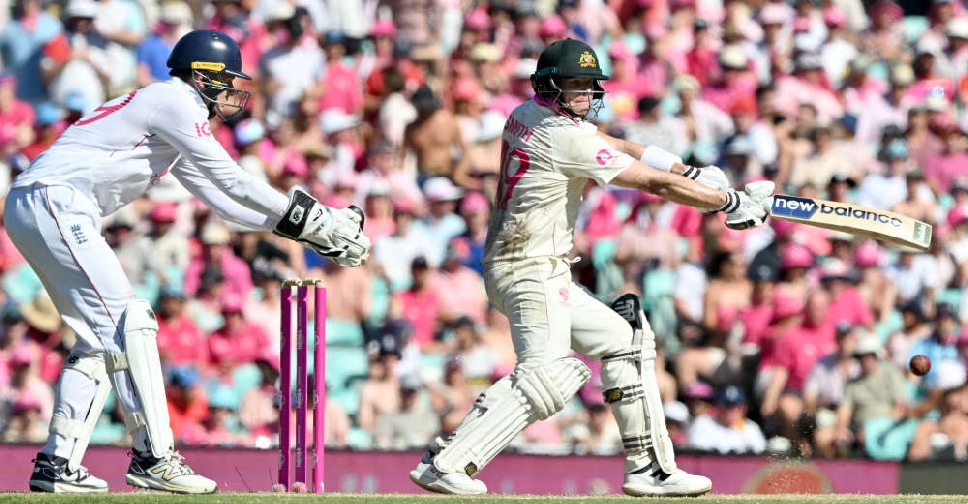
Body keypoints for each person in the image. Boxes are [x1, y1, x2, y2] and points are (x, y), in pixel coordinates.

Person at [5, 29, 370, 494]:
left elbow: (224, 204)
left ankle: (57, 464)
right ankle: (154, 458)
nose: (233, 91)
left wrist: (302, 230)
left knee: (99, 340)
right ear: (201, 76)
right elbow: (233, 179)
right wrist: (317, 218)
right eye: (228, 80)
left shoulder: (169, 116)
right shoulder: (175, 101)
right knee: (130, 322)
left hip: (42, 204)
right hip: (54, 201)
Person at [408, 38, 773, 497]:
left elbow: (615, 142)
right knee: (549, 375)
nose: (586, 93)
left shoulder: (527, 114)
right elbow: (653, 184)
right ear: (549, 85)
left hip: (534, 266)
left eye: (590, 84)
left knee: (626, 343)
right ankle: (446, 463)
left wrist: (687, 169)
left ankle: (649, 469)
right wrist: (728, 201)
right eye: (575, 84)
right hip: (528, 269)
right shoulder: (562, 136)